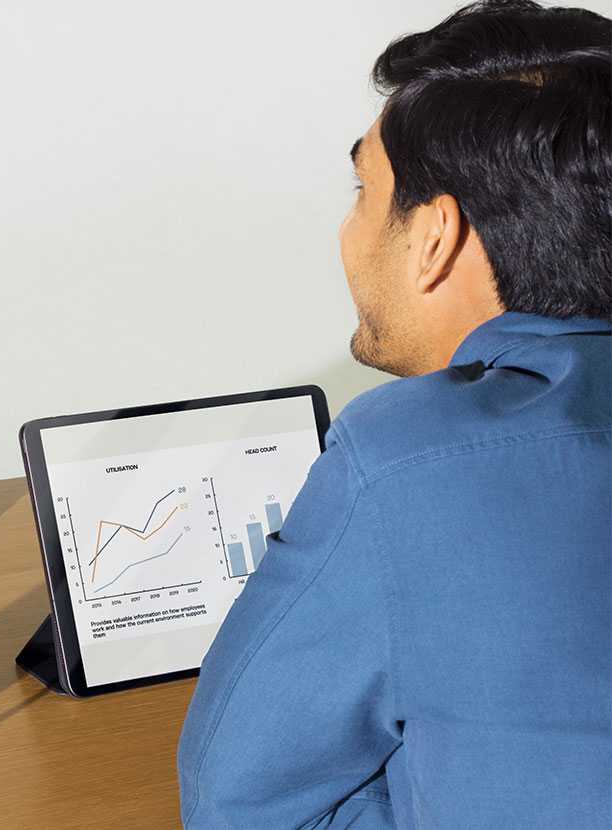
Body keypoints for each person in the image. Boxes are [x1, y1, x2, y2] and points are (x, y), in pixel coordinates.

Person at [176, 1, 611, 827]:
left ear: (434, 237)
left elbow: (243, 808)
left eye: (363, 190)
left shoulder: (404, 459)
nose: (349, 230)